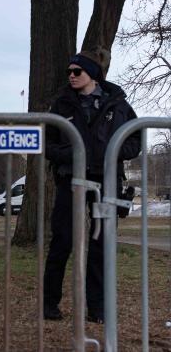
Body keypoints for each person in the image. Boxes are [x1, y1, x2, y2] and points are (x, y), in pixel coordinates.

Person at [43, 46, 141, 324]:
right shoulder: (61, 104)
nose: (71, 76)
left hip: (106, 181)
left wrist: (114, 151)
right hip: (70, 180)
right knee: (62, 241)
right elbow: (47, 144)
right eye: (69, 72)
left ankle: (96, 309)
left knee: (100, 243)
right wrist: (70, 154)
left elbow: (137, 139)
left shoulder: (118, 105)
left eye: (77, 71)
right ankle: (49, 304)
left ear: (93, 75)